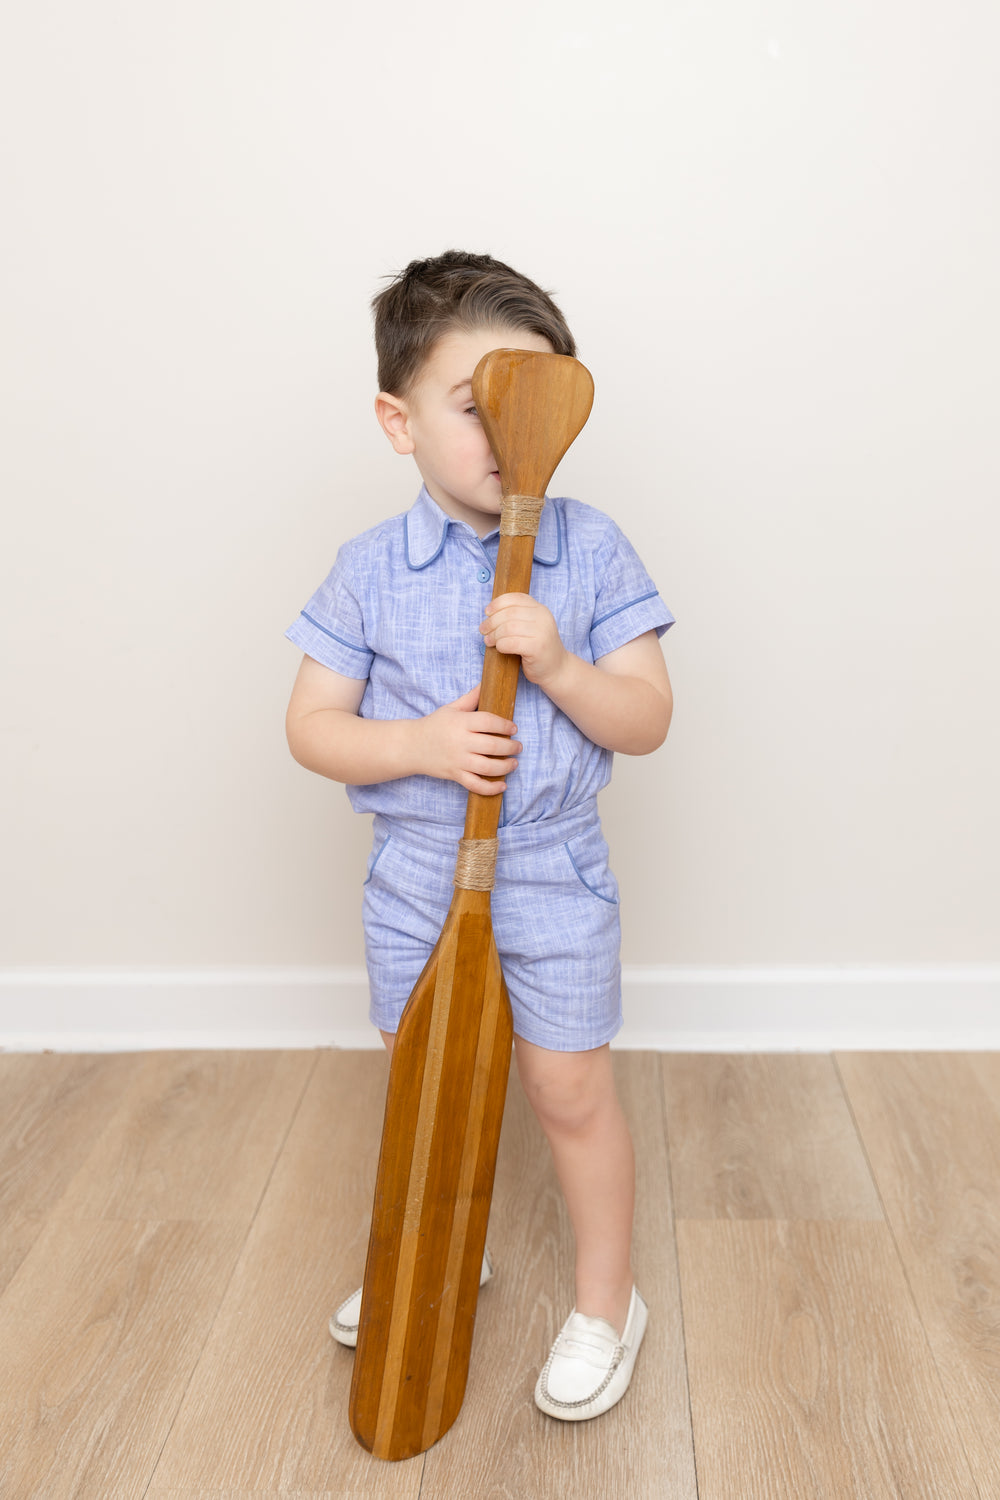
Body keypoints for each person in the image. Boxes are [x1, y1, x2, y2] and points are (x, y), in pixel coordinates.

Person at [285, 250, 674, 1421]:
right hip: (416, 880)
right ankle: (440, 1250)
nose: (506, 434)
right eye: (474, 406)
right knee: (431, 1080)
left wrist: (557, 663)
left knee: (566, 1088)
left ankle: (605, 1302)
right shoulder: (368, 571)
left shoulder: (591, 549)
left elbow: (646, 719)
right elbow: (312, 729)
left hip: (551, 870)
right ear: (397, 422)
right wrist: (417, 744)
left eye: (530, 403)